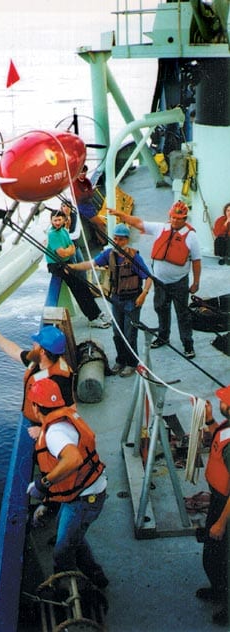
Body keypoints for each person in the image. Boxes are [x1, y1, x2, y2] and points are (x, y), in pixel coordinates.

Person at [26, 378, 108, 588]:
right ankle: (96, 576)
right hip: (85, 491)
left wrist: (43, 484)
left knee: (62, 551)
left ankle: (70, 594)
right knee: (73, 538)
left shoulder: (54, 433)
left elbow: (73, 459)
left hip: (85, 498)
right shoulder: (65, 419)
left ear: (35, 407)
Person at [109, 200, 201, 359]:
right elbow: (138, 223)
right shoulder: (161, 228)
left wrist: (196, 282)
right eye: (173, 217)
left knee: (182, 314)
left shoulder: (191, 236)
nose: (175, 220)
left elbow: (197, 261)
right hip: (159, 282)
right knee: (161, 309)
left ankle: (188, 344)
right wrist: (121, 214)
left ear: (185, 219)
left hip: (179, 282)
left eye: (179, 218)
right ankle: (163, 337)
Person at [69, 223, 152, 377]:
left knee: (129, 333)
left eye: (121, 239)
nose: (118, 242)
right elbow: (91, 264)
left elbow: (148, 277)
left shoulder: (134, 257)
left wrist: (144, 294)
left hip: (132, 301)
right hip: (116, 300)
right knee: (117, 332)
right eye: (115, 238)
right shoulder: (109, 254)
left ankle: (132, 363)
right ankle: (121, 360)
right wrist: (73, 267)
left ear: (127, 240)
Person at [0, 319, 75, 425]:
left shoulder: (61, 379)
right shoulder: (37, 361)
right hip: (35, 419)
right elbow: (14, 351)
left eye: (36, 344)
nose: (33, 344)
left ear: (42, 352)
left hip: (46, 427)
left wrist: (42, 429)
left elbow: (71, 410)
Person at [196, 385, 230, 627]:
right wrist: (208, 418)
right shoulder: (227, 426)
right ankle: (219, 589)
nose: (220, 403)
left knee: (224, 560)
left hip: (225, 508)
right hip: (218, 501)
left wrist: (221, 523)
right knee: (213, 554)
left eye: (224, 402)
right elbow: (218, 436)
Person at [46, 208, 111, 329]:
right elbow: (62, 253)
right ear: (51, 221)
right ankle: (92, 318)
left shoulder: (64, 230)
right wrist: (69, 251)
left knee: (84, 287)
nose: (57, 223)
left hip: (67, 263)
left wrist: (69, 251)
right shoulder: (52, 234)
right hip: (58, 266)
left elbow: (72, 248)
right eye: (55, 220)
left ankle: (97, 312)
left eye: (59, 220)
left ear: (64, 220)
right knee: (79, 290)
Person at [73, 165, 107, 245]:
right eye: (81, 173)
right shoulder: (75, 183)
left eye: (84, 172)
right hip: (83, 207)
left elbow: (90, 193)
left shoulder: (87, 181)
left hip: (89, 204)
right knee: (100, 223)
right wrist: (88, 193)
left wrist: (87, 193)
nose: (83, 174)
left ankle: (102, 241)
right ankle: (104, 241)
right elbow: (80, 197)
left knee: (97, 225)